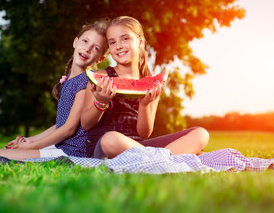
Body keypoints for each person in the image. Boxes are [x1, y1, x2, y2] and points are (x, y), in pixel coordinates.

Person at [81, 16, 209, 159]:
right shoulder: (102, 76)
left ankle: (156, 160)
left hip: (139, 146)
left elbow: (144, 133)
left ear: (140, 42)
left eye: (125, 38)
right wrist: (101, 102)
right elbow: (86, 124)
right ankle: (168, 158)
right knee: (110, 139)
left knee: (201, 133)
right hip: (105, 146)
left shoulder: (152, 83)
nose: (118, 46)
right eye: (112, 42)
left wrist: (144, 105)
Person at [0, 20, 109, 160]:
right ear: (75, 42)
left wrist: (31, 147)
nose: (87, 49)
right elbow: (60, 124)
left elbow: (69, 129)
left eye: (95, 48)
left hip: (71, 151)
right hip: (61, 146)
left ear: (100, 58)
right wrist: (30, 140)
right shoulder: (68, 80)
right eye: (85, 41)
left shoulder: (85, 82)